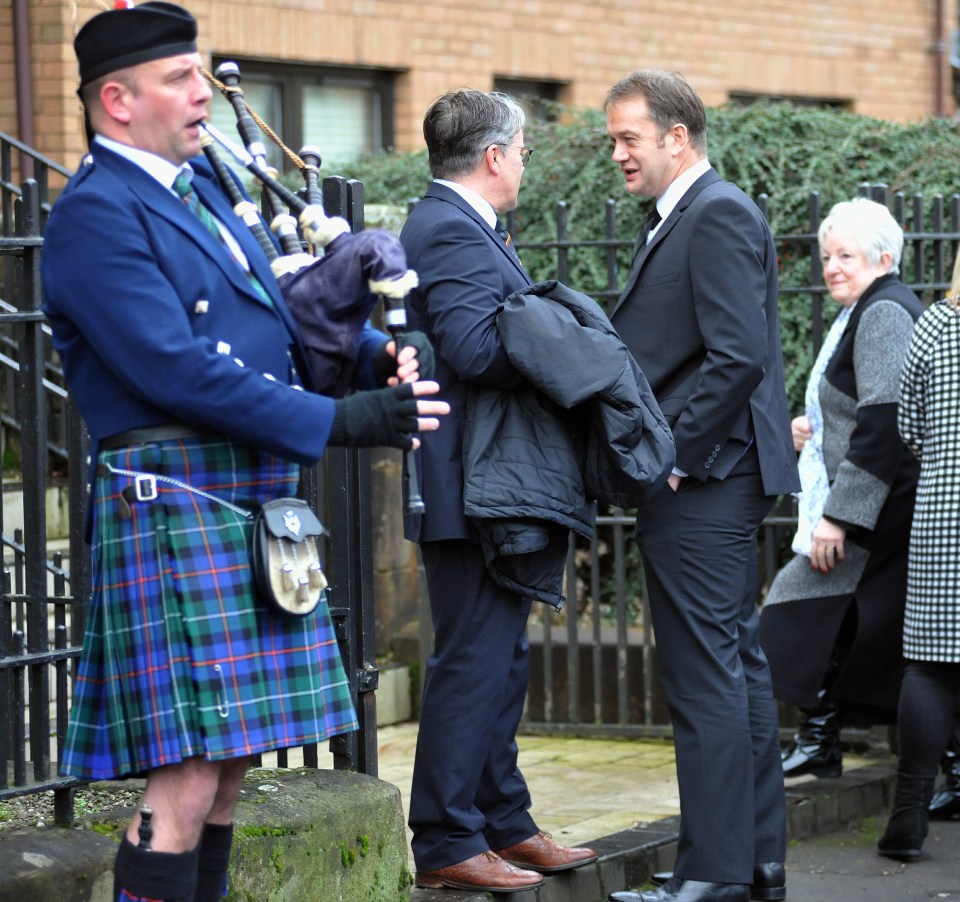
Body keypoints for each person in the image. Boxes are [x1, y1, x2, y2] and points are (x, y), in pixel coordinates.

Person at [42, 4, 448, 901]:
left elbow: (281, 324)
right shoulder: (96, 214)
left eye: (201, 73)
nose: (204, 92)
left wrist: (368, 358)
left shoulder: (204, 192)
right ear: (117, 99)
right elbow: (174, 369)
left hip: (246, 491)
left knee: (228, 768)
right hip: (177, 495)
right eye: (181, 78)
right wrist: (337, 421)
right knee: (186, 772)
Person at [604, 69, 799, 902]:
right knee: (736, 671)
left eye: (628, 138)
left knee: (705, 675)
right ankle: (753, 862)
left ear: (677, 137)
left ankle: (714, 873)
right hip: (723, 476)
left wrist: (671, 456)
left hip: (708, 479)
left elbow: (737, 356)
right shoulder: (688, 214)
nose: (618, 154)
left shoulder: (714, 210)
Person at [398, 89, 599, 894]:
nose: (523, 163)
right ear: (493, 156)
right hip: (464, 485)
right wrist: (560, 332)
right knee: (474, 658)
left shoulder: (466, 227)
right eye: (520, 151)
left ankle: (503, 821)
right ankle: (446, 835)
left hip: (489, 481)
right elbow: (476, 350)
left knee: (502, 656)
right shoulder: (446, 228)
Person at [759, 199, 923, 779]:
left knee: (797, 610)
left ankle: (821, 737)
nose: (832, 266)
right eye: (827, 256)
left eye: (845, 255)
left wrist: (839, 517)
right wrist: (812, 429)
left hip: (876, 512)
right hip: (880, 508)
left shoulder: (882, 312)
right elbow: (858, 409)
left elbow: (885, 421)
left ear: (883, 257)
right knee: (876, 632)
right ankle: (822, 738)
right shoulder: (867, 309)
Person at [879, 251, 960, 860]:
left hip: (942, 513)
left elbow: (909, 425)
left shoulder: (936, 324)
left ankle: (907, 818)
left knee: (930, 667)